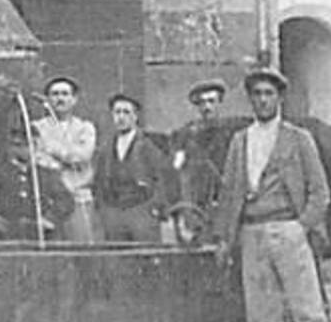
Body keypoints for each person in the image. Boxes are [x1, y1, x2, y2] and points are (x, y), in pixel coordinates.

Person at [212, 68, 331, 322]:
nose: (262, 100)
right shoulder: (240, 142)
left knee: (308, 309)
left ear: (279, 98)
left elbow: (320, 191)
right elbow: (230, 194)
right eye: (257, 94)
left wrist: (302, 226)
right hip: (252, 231)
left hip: (288, 229)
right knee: (262, 314)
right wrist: (225, 239)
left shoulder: (298, 138)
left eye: (268, 94)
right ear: (250, 100)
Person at [31, 76, 99, 246]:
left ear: (74, 99)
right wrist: (66, 155)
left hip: (78, 200)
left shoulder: (85, 128)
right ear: (47, 99)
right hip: (49, 203)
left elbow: (81, 157)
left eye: (65, 94)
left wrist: (51, 147)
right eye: (54, 94)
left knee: (81, 250)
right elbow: (38, 159)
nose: (60, 99)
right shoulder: (37, 127)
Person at [93, 94, 170, 245]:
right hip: (114, 213)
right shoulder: (105, 148)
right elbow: (99, 181)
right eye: (117, 112)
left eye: (126, 112)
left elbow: (162, 180)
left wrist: (155, 209)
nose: (121, 117)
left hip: (141, 211)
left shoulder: (149, 146)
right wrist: (104, 211)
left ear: (135, 116)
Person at [0, 124, 73, 244]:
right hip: (6, 236)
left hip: (40, 236)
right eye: (17, 145)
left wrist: (49, 219)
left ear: (35, 147)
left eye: (28, 144)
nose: (23, 149)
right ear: (10, 147)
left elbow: (66, 201)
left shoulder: (46, 174)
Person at [172, 77, 234, 212]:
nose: (207, 107)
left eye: (211, 101)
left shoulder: (231, 133)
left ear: (220, 103)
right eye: (202, 103)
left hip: (226, 199)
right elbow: (177, 167)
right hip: (197, 201)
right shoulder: (187, 134)